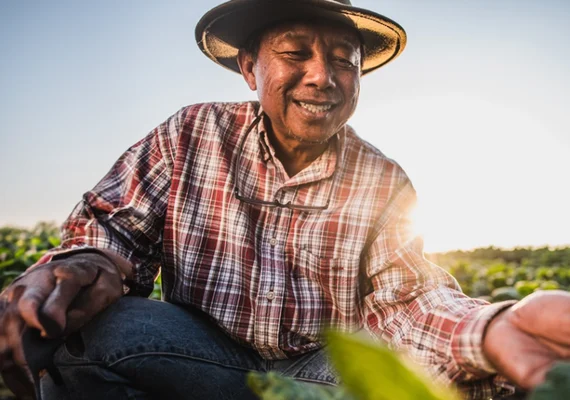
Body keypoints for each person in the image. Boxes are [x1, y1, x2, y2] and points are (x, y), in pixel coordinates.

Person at [1, 0, 570, 399]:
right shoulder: (191, 134)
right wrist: (83, 266)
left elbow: (409, 301)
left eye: (344, 60)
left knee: (453, 375)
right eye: (295, 53)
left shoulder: (383, 178)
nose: (322, 76)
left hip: (319, 377)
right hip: (199, 356)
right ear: (250, 68)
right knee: (91, 333)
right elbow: (114, 232)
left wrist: (492, 327)